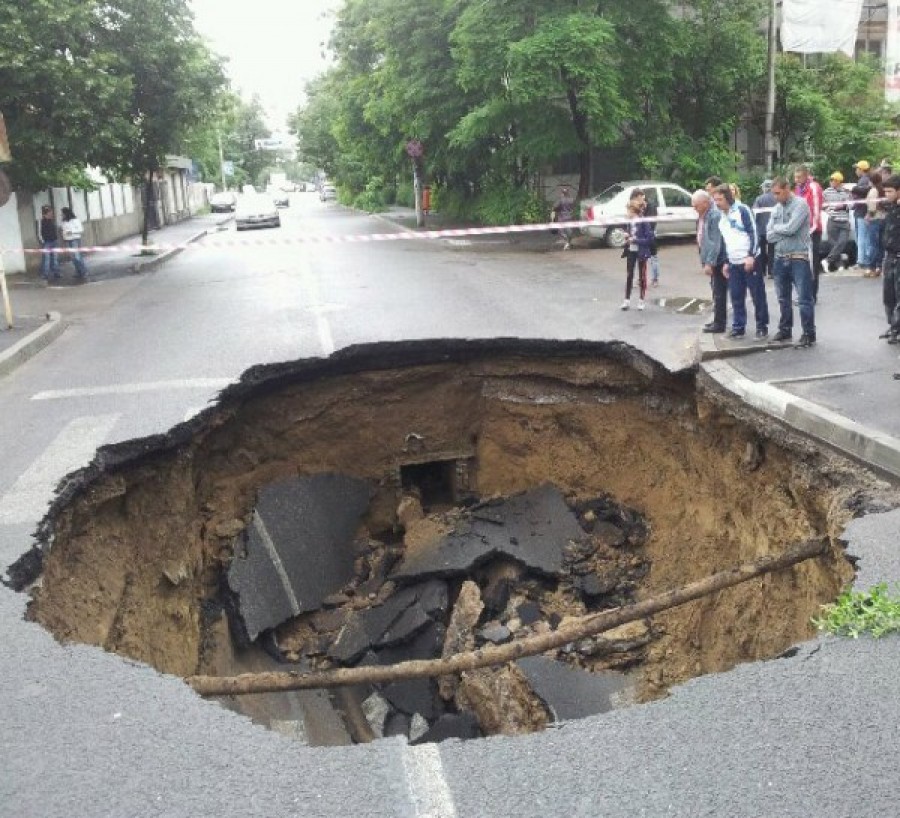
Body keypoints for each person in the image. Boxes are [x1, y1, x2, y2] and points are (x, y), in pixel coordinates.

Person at [712, 183, 769, 339]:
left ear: (728, 198)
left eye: (720, 199)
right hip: (733, 262)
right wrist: (725, 261)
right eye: (715, 200)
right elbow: (724, 240)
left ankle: (762, 326)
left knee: (757, 295)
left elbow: (754, 232)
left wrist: (751, 255)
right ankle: (738, 326)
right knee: (736, 296)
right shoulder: (721, 216)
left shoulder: (742, 210)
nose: (717, 203)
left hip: (749, 260)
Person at [767, 177, 816, 347]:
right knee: (783, 298)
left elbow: (792, 228)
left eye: (778, 193)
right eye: (773, 194)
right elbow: (768, 236)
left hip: (799, 257)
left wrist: (778, 229)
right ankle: (785, 330)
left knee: (804, 298)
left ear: (787, 188)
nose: (776, 197)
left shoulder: (801, 204)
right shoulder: (776, 209)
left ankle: (809, 333)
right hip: (780, 257)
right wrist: (783, 230)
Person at [692, 189, 728, 333]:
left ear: (706, 203)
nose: (694, 208)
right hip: (712, 258)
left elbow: (715, 241)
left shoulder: (713, 215)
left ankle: (719, 324)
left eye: (696, 205)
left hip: (717, 260)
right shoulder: (705, 214)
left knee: (719, 292)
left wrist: (710, 262)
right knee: (715, 291)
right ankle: (717, 320)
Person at [794, 165, 824, 301]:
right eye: (795, 177)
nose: (796, 180)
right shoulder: (798, 189)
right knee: (801, 262)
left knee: (812, 263)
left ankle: (812, 294)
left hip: (812, 231)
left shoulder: (813, 187)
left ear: (806, 175)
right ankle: (803, 293)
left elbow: (816, 209)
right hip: (800, 231)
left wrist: (812, 228)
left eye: (799, 177)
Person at [620, 195, 653, 311]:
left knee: (642, 276)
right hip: (631, 251)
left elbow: (649, 239)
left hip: (641, 252)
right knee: (629, 275)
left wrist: (634, 240)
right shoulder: (630, 222)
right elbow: (630, 233)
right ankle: (626, 300)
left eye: (628, 210)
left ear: (633, 211)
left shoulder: (644, 222)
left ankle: (641, 300)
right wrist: (627, 236)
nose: (627, 213)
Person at [879, 174, 900, 344]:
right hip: (889, 256)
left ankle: (897, 329)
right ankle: (892, 325)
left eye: (890, 191)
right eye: (885, 191)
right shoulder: (891, 207)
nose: (887, 194)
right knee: (888, 296)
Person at [822, 172, 852, 272]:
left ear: (838, 182)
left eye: (833, 180)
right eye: (831, 180)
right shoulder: (826, 192)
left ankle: (827, 260)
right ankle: (840, 264)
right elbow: (822, 204)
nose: (831, 182)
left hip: (844, 221)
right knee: (833, 243)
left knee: (842, 242)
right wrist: (828, 210)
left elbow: (851, 205)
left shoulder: (846, 192)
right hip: (832, 220)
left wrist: (843, 206)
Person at [863, 170, 886, 278]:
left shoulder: (873, 191)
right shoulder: (883, 190)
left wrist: (868, 216)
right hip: (883, 219)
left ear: (871, 181)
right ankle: (879, 267)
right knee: (881, 244)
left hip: (875, 219)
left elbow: (872, 207)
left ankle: (870, 267)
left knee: (872, 244)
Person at [851, 160, 873, 269]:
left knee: (862, 237)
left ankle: (862, 260)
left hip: (862, 213)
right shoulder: (866, 180)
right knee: (864, 237)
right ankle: (865, 259)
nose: (855, 171)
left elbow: (861, 193)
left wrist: (853, 190)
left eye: (857, 169)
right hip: (863, 212)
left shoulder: (864, 180)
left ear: (861, 169)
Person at [753, 179, 777, 278]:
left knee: (762, 251)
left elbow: (755, 215)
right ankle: (771, 271)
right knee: (772, 251)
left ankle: (762, 271)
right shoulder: (777, 198)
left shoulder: (759, 199)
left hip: (761, 229)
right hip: (774, 230)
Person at [60, 207, 88, 280]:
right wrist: (64, 237)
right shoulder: (63, 222)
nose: (62, 215)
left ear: (66, 213)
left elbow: (80, 229)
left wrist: (71, 231)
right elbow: (63, 231)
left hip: (75, 239)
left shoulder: (75, 220)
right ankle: (78, 271)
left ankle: (83, 271)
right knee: (73, 258)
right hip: (68, 240)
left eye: (62, 214)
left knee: (77, 257)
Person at [38, 205, 61, 280]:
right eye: (49, 213)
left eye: (51, 212)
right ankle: (45, 274)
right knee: (46, 259)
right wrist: (42, 241)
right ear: (45, 214)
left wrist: (56, 239)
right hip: (47, 242)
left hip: (54, 241)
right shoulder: (41, 221)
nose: (51, 214)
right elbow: (39, 232)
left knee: (55, 258)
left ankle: (56, 272)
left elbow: (54, 230)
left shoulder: (52, 221)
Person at [551, 186, 576, 250]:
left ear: (562, 193)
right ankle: (569, 243)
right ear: (568, 193)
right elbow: (573, 208)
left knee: (561, 231)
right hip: (570, 217)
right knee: (569, 231)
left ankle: (567, 242)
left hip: (562, 218)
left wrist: (554, 210)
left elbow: (555, 207)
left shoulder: (560, 200)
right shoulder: (572, 200)